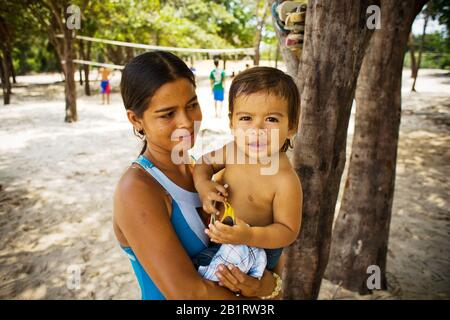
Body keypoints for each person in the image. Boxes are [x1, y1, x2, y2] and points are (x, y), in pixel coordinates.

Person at [113, 52, 280, 300]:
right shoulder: (138, 189)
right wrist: (262, 293)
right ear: (136, 119)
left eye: (192, 105)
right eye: (168, 114)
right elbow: (190, 294)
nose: (186, 122)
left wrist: (267, 286)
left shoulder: (201, 172)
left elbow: (265, 255)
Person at [192, 67, 303, 283]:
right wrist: (203, 185)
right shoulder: (233, 150)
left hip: (258, 247)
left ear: (291, 127)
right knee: (194, 266)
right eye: (246, 118)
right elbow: (203, 162)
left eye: (271, 119)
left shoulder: (284, 180)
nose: (257, 129)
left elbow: (288, 231)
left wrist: (249, 236)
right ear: (232, 122)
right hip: (224, 238)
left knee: (209, 273)